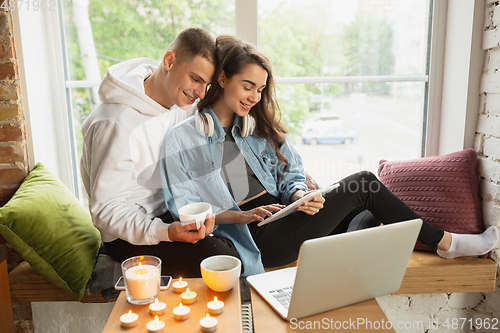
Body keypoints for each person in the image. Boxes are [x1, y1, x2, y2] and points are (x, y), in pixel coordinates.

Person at [160, 35, 499, 276]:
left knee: (362, 215)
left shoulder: (255, 127)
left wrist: (298, 195)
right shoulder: (184, 138)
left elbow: (291, 172)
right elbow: (184, 210)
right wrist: (240, 217)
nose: (254, 96)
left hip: (285, 216)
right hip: (254, 235)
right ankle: (447, 243)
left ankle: (376, 239)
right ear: (222, 78)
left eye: (260, 90)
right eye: (247, 85)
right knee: (364, 185)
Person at [81, 28, 245, 276]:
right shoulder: (116, 123)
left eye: (207, 84)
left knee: (246, 232)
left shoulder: (179, 103)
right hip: (127, 237)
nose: (200, 93)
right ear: (169, 61)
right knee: (224, 258)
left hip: (170, 209)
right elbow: (106, 210)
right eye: (195, 79)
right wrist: (165, 232)